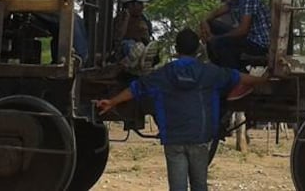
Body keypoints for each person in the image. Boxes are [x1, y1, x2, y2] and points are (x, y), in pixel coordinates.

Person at [96, 29, 269, 191]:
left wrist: (112, 102)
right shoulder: (211, 72)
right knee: (199, 185)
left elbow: (136, 88)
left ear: (177, 49)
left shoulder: (164, 73)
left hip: (173, 139)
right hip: (200, 137)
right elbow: (238, 77)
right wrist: (263, 80)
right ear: (198, 50)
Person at [201, 0, 270, 70]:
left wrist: (216, 38)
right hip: (248, 38)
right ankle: (224, 70)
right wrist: (204, 21)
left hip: (259, 44)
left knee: (220, 43)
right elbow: (214, 13)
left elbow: (243, 30)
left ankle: (236, 75)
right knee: (212, 24)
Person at [112, 0, 159, 71]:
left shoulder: (143, 18)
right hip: (125, 50)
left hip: (142, 48)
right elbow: (118, 38)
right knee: (129, 44)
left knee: (143, 47)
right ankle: (131, 62)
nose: (142, 6)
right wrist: (126, 18)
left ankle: (142, 60)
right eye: (139, 3)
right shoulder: (121, 18)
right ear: (130, 5)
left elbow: (148, 38)